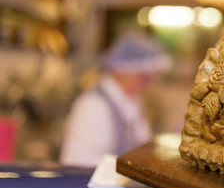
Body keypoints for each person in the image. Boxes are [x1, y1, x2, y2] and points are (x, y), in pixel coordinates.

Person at [60, 31, 171, 167]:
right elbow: (79, 160)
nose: (149, 83)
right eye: (144, 77)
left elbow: (142, 144)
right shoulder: (93, 105)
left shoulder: (133, 101)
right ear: (121, 69)